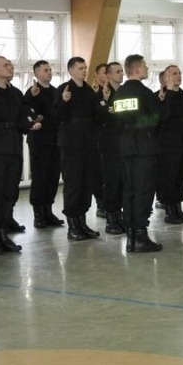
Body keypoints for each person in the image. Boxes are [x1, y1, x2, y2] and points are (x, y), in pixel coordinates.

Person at [0, 56, 36, 255]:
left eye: (11, 65)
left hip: (13, 147)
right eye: (6, 65)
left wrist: (30, 123)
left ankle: (3, 233)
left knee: (9, 192)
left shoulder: (16, 93)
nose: (11, 68)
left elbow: (23, 116)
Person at [112, 54, 169, 252]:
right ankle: (140, 236)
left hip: (127, 145)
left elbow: (119, 119)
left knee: (129, 189)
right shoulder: (144, 93)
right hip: (145, 146)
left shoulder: (119, 93)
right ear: (136, 70)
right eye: (144, 66)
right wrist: (159, 105)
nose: (147, 69)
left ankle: (131, 235)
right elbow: (155, 119)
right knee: (144, 189)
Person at [53, 57, 108, 241]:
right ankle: (73, 225)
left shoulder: (89, 91)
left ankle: (82, 222)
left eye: (85, 68)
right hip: (71, 143)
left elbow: (98, 118)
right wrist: (64, 101)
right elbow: (56, 117)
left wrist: (104, 101)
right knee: (73, 183)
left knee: (87, 183)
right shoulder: (64, 89)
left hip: (89, 142)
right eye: (80, 68)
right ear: (70, 70)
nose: (84, 71)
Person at [24, 60, 64, 229]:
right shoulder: (32, 92)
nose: (49, 73)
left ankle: (48, 210)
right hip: (40, 140)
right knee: (40, 176)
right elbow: (28, 112)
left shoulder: (56, 91)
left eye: (50, 70)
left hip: (55, 140)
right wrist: (32, 97)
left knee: (53, 176)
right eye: (45, 70)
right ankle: (38, 213)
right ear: (37, 73)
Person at [156, 64, 183, 224]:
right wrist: (168, 94)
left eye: (179, 73)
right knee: (168, 178)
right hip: (168, 145)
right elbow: (162, 117)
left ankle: (178, 209)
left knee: (181, 177)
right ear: (165, 78)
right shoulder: (159, 96)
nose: (178, 76)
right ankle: (170, 210)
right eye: (173, 74)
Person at [98, 61, 125, 234]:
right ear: (108, 75)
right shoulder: (101, 94)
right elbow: (99, 118)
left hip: (124, 142)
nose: (121, 74)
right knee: (112, 181)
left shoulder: (124, 93)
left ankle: (119, 215)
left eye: (122, 71)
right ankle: (111, 218)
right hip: (109, 144)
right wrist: (105, 103)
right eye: (117, 72)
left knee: (123, 181)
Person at [91, 63, 108, 217]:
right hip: (98, 138)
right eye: (104, 72)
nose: (107, 75)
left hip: (114, 138)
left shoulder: (116, 91)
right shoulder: (93, 93)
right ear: (97, 76)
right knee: (98, 172)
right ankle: (100, 203)